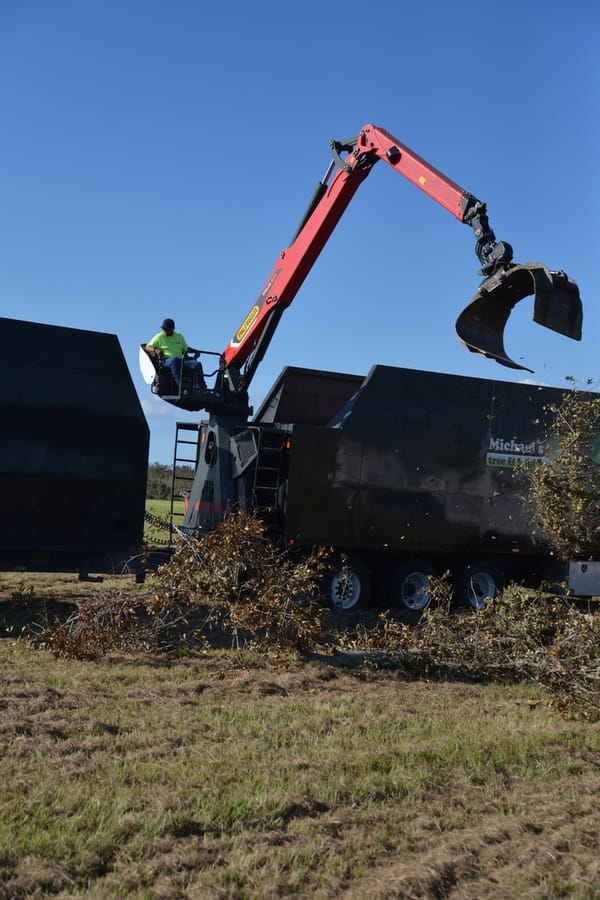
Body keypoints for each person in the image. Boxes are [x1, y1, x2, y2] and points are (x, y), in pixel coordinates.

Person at [145, 318, 205, 391]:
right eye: (164, 329)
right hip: (166, 361)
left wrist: (196, 351)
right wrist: (155, 349)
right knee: (174, 361)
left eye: (167, 329)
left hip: (180, 361)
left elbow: (185, 349)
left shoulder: (179, 336)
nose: (165, 331)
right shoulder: (159, 337)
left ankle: (203, 389)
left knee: (197, 364)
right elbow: (147, 347)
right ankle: (180, 387)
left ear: (173, 328)